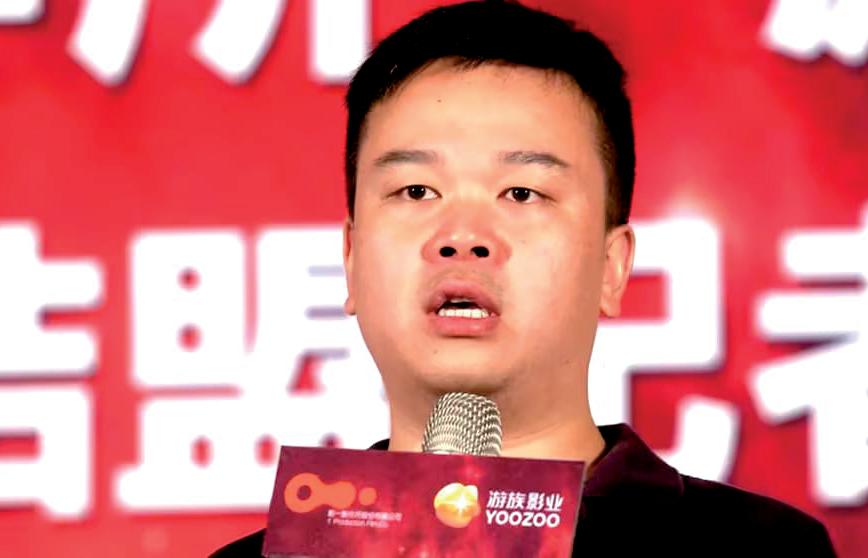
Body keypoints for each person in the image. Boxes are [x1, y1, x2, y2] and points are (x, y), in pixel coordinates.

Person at [212, 1, 836, 555]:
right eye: (416, 190)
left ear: (612, 268)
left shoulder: (761, 550)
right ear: (351, 258)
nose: (462, 235)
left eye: (521, 192)